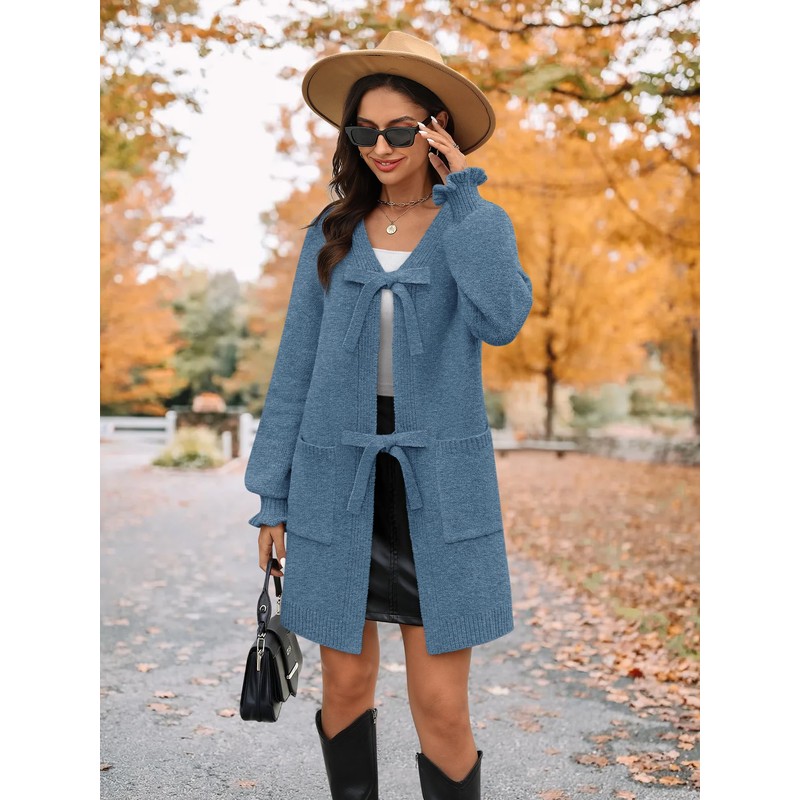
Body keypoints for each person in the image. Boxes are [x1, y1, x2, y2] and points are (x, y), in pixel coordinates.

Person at [244, 30, 533, 800]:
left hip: (439, 488)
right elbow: (294, 369)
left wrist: (463, 195)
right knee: (345, 686)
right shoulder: (332, 232)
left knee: (440, 706)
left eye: (401, 130)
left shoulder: (475, 224)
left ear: (437, 130)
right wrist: (272, 496)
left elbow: (503, 319)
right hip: (336, 485)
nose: (380, 147)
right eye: (364, 131)